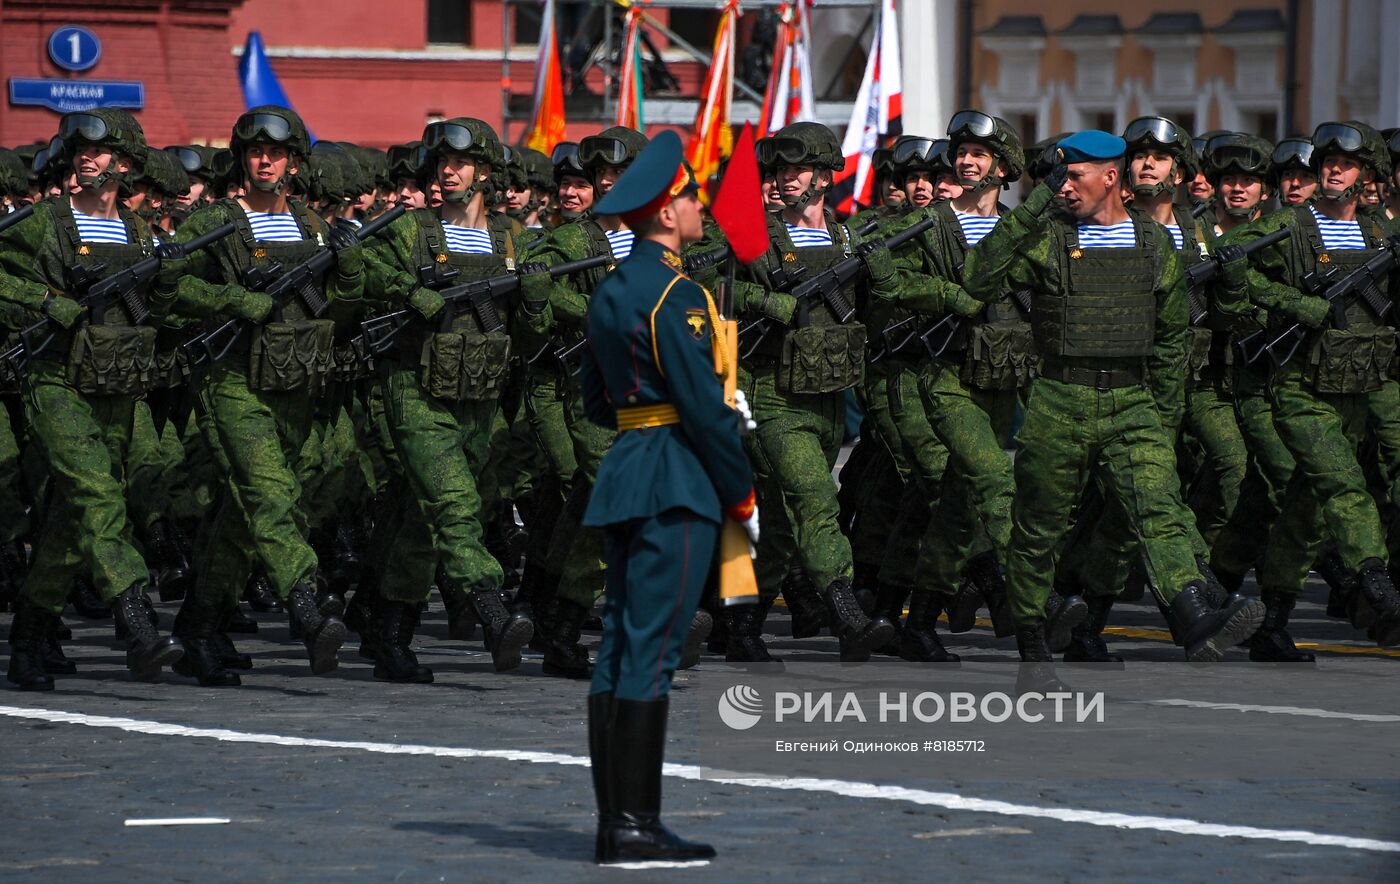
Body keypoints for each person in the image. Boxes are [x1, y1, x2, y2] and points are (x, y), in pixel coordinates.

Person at [965, 131, 1264, 686]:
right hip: (1060, 397)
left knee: (1158, 506)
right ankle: (1034, 647)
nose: (1064, 185)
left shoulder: (1153, 244)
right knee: (1039, 528)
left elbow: (1174, 335)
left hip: (1132, 399)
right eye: (1059, 175)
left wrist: (1163, 413)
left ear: (1111, 178)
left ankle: (1193, 614)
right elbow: (978, 277)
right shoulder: (1047, 238)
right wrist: (1033, 204)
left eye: (1075, 175)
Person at [580, 130, 755, 867]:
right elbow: (703, 407)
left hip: (627, 467)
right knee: (651, 652)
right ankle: (635, 827)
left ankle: (615, 821)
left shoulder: (613, 289)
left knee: (620, 645)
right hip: (675, 477)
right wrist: (741, 491)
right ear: (662, 214)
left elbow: (596, 400)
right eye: (688, 195)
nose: (697, 206)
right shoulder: (677, 295)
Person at [0, 109, 186, 688]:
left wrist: (173, 278)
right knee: (96, 494)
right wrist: (41, 300)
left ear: (125, 164)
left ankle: (29, 639)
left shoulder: (136, 232)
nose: (88, 157)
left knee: (68, 525)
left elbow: (165, 314)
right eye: (80, 148)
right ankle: (138, 622)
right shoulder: (44, 223)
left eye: (101, 151)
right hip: (54, 382)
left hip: (116, 388)